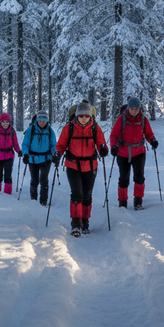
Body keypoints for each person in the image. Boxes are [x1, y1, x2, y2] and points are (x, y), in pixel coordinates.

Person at [53, 100, 108, 237]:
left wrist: (103, 149)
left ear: (90, 117)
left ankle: (85, 222)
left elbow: (101, 142)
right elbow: (61, 145)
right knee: (76, 194)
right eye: (81, 116)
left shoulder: (95, 128)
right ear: (77, 116)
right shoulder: (69, 128)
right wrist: (57, 153)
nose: (84, 118)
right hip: (73, 166)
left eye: (86, 116)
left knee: (87, 196)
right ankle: (76, 224)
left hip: (90, 166)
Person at [109, 97, 158, 210]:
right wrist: (114, 146)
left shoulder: (143, 120)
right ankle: (122, 203)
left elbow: (149, 134)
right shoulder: (122, 119)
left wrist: (153, 140)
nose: (134, 111)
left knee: (139, 177)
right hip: (123, 153)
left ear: (139, 109)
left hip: (139, 152)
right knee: (123, 178)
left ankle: (138, 202)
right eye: (132, 109)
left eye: (136, 109)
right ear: (128, 108)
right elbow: (114, 135)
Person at [22, 110, 56, 206]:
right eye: (40, 120)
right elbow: (25, 144)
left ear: (47, 121)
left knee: (44, 180)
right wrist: (25, 154)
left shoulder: (50, 131)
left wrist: (55, 155)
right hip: (32, 159)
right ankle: (33, 200)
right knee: (34, 180)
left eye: (44, 120)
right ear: (37, 120)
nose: (42, 122)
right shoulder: (31, 129)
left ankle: (43, 201)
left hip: (46, 159)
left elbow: (54, 145)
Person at [0, 113, 22, 194]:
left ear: (10, 122)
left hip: (9, 156)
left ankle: (7, 195)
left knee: (8, 176)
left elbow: (15, 144)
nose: (5, 124)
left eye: (7, 122)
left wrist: (19, 151)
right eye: (3, 122)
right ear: (0, 122)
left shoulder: (12, 131)